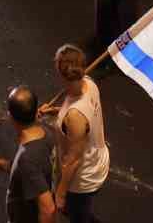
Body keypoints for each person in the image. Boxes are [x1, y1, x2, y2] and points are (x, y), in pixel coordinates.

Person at [0, 85, 55, 223]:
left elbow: (48, 209)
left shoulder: (27, 158)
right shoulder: (46, 134)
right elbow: (30, 172)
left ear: (10, 116)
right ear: (35, 113)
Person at [49, 44, 111, 223]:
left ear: (61, 74)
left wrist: (60, 193)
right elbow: (85, 114)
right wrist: (56, 111)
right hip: (97, 159)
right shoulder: (89, 83)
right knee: (80, 213)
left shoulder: (74, 116)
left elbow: (73, 159)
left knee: (78, 216)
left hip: (82, 179)